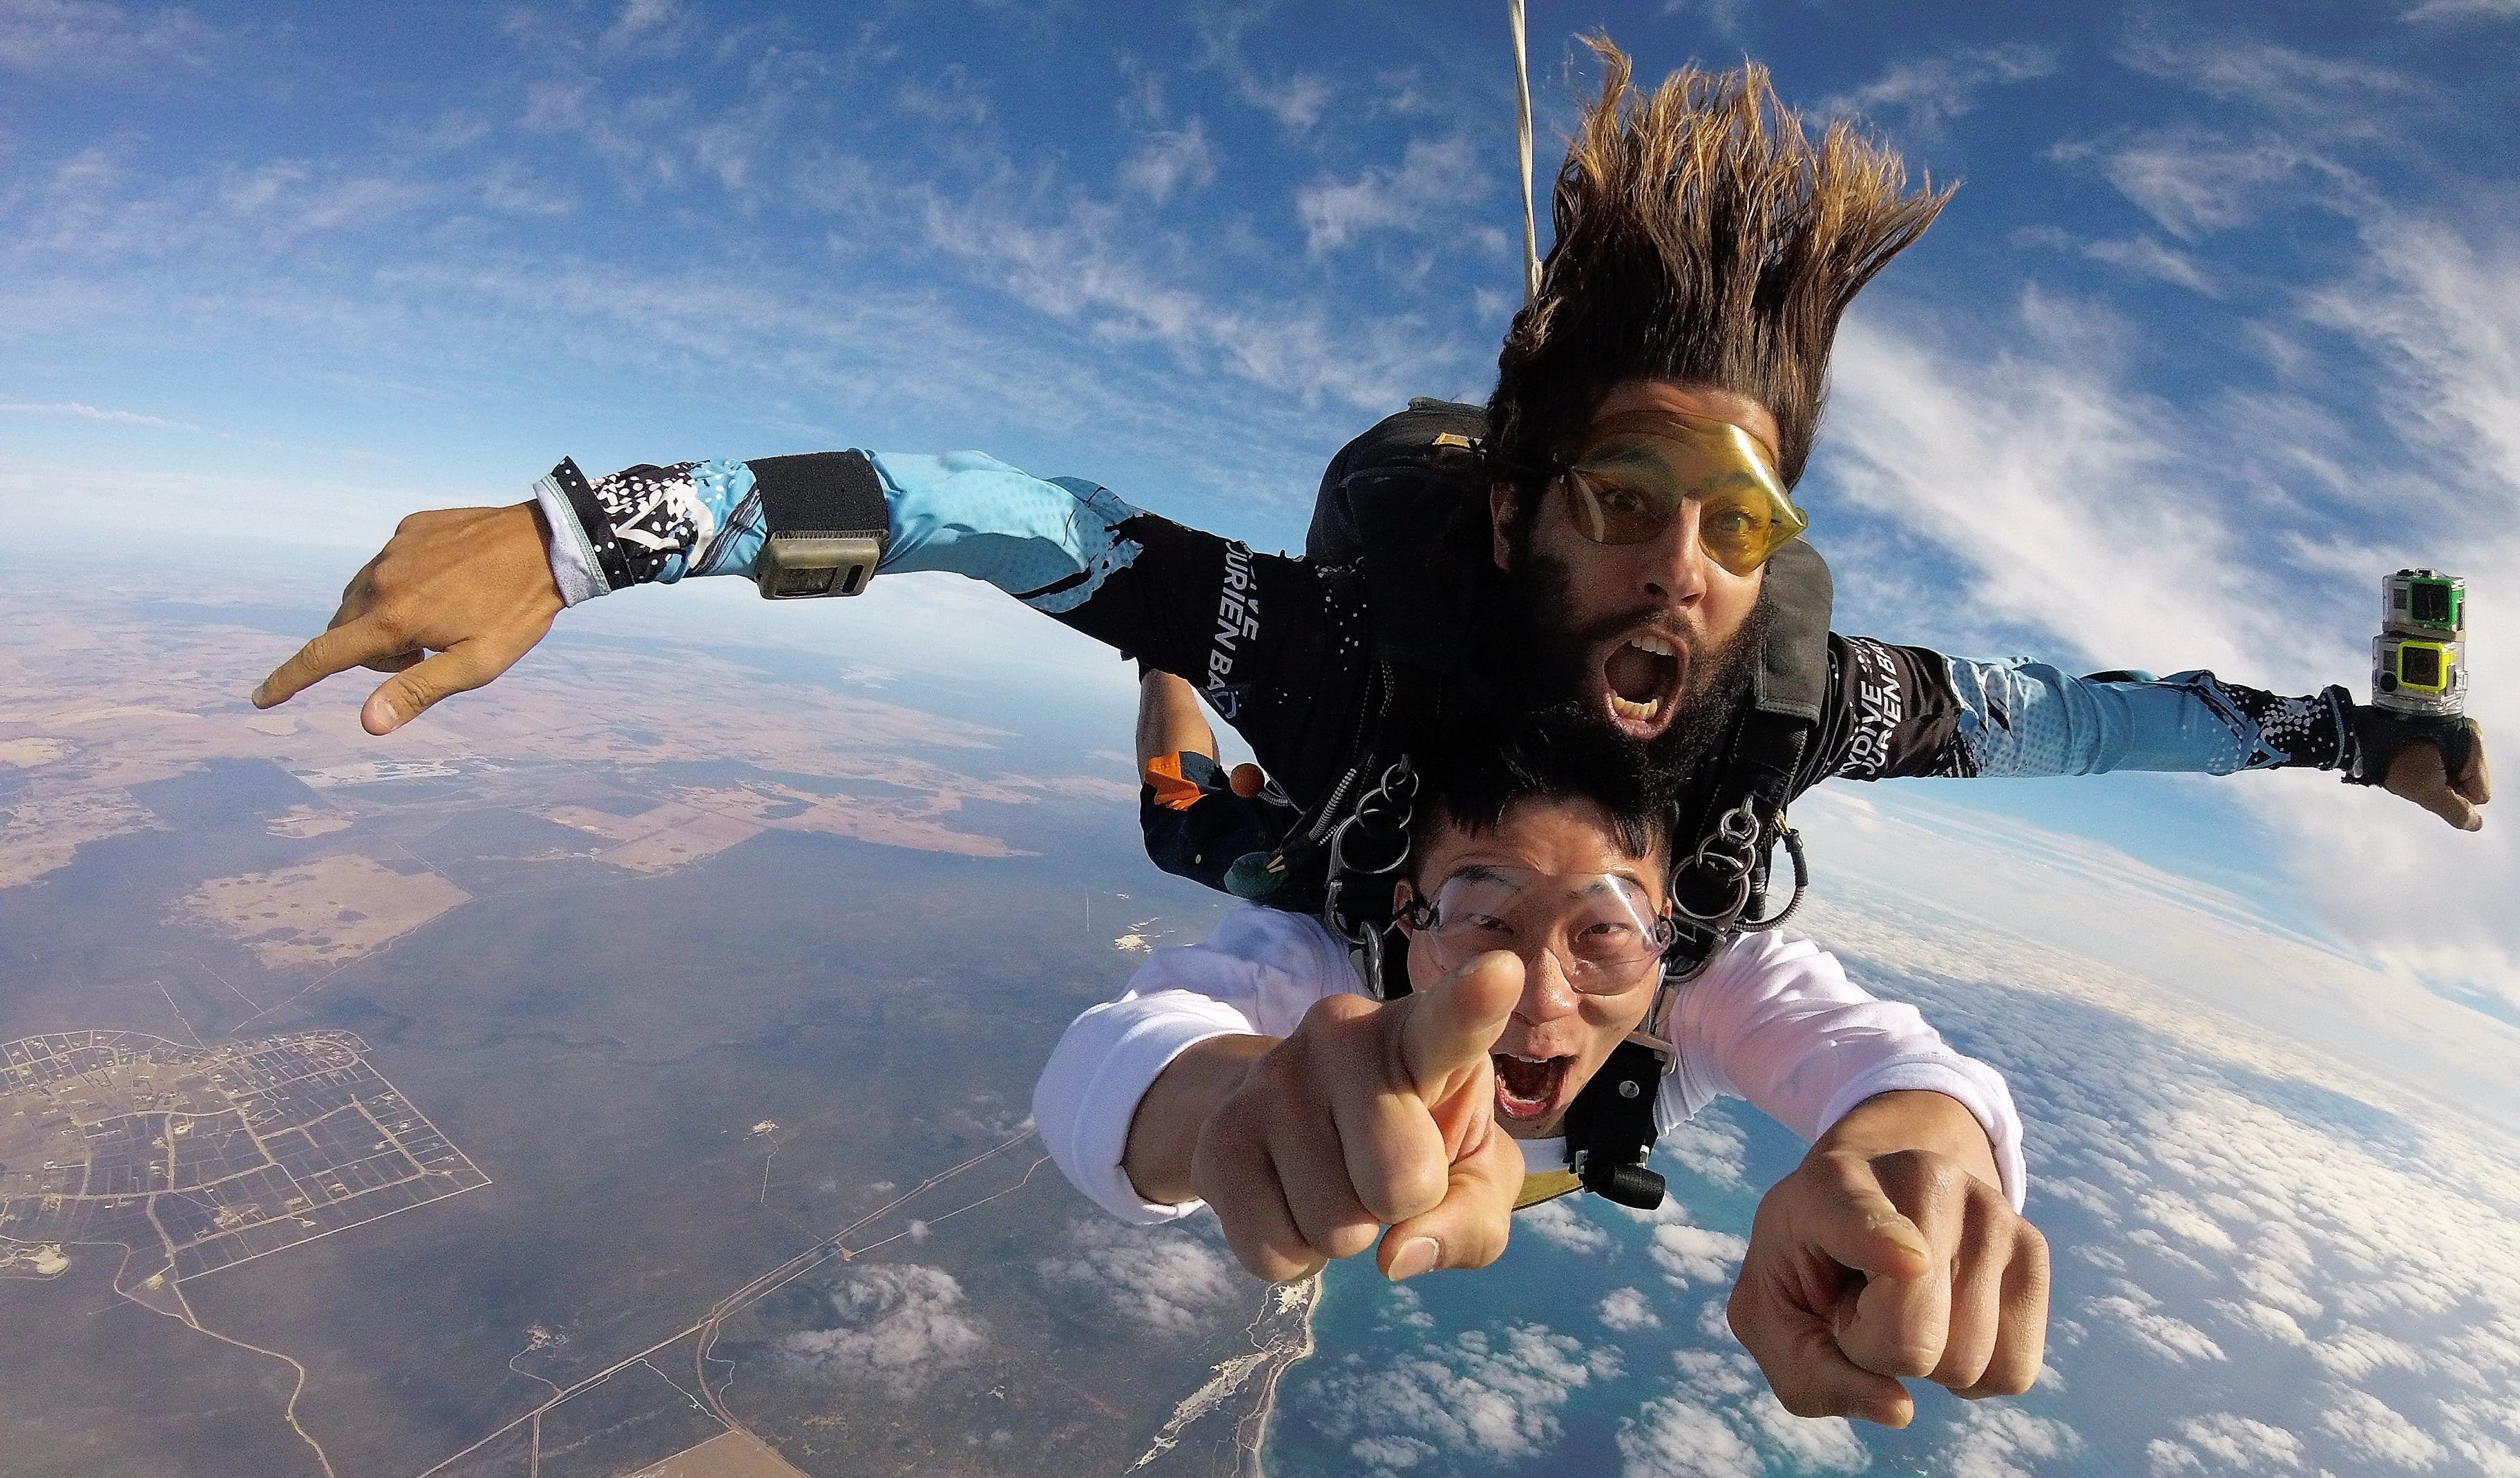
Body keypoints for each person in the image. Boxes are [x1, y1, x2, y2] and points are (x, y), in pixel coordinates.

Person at [249, 53, 2487, 889]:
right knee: (1188, 839)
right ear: (1516, 517)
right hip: (1323, 808)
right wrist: (596, 532)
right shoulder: (1318, 656)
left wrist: (2338, 733)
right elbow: (989, 515)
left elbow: (2071, 717)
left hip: (1399, 851)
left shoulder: (1788, 705)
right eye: (1629, 501)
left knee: (1223, 839)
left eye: (1743, 528)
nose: (1693, 572)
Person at [1035, 714, 2047, 1430]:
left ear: (1668, 936)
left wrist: (1904, 1169)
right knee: (1184, 807)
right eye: (1485, 917)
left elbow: (1900, 1068)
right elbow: (1109, 1063)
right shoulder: (1322, 957)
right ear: (1405, 914)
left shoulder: (1690, 986)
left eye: (1603, 932)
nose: (1543, 999)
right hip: (1273, 842)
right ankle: (1165, 673)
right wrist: (1247, 1101)